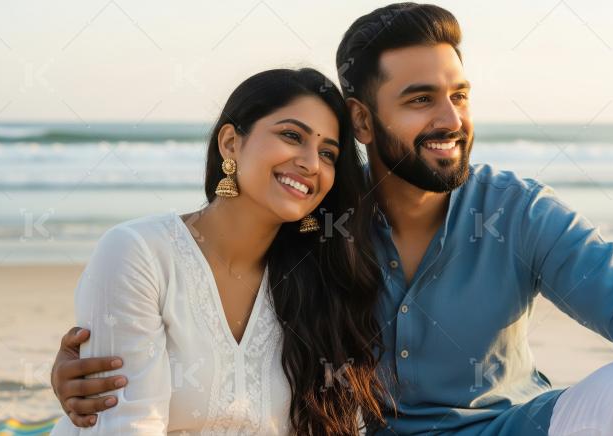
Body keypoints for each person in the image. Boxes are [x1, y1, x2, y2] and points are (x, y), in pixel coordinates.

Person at [52, 4, 613, 435]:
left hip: (513, 428)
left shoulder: (517, 210)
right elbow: (208, 274)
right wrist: (83, 372)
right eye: (421, 100)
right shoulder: (317, 212)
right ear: (363, 120)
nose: (450, 121)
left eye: (458, 96)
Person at [49, 68, 389, 435]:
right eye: (292, 136)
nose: (310, 163)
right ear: (230, 143)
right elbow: (127, 424)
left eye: (328, 154)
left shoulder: (319, 281)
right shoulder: (140, 253)